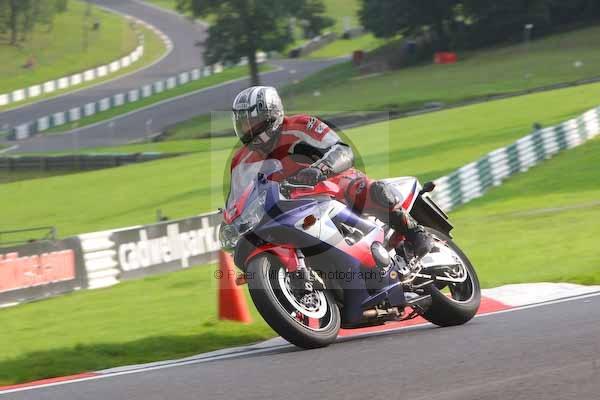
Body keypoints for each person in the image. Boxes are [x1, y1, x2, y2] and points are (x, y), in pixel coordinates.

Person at [230, 86, 433, 257]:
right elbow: (238, 200)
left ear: (273, 114)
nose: (249, 130)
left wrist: (319, 169)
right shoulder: (241, 161)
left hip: (332, 183)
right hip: (288, 206)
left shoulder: (301, 125)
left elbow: (342, 150)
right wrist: (231, 223)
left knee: (370, 191)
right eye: (244, 125)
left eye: (253, 123)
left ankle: (414, 231)